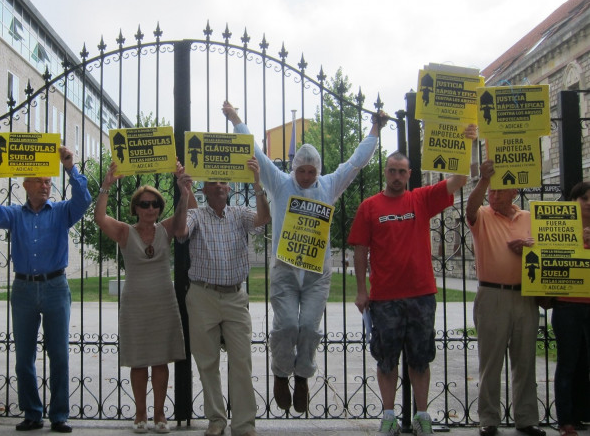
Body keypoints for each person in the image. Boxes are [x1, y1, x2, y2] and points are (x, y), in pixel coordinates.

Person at [225, 101, 385, 413]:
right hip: (285, 270)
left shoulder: (329, 185)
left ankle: (302, 376)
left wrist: (375, 130)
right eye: (302, 170)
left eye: (312, 171)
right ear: (294, 168)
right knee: (286, 325)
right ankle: (281, 374)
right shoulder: (280, 183)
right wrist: (236, 119)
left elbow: (355, 164)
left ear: (319, 170)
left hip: (316, 274)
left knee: (310, 328)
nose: (307, 176)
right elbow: (255, 151)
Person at [347, 138, 475, 436]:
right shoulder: (369, 207)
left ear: (409, 174)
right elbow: (360, 250)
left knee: (420, 358)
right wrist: (361, 291)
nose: (396, 176)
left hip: (421, 294)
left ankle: (421, 415)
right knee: (386, 359)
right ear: (385, 173)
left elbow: (459, 179)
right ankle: (389, 416)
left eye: (402, 172)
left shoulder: (421, 199)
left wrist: (466, 141)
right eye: (391, 171)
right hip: (384, 297)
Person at [0, 146, 91, 433]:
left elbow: (83, 199)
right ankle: (32, 412)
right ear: (26, 185)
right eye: (39, 181)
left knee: (59, 354)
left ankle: (60, 415)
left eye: (48, 182)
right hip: (24, 289)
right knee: (24, 356)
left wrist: (70, 168)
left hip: (55, 287)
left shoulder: (63, 211)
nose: (45, 185)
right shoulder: (15, 214)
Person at [94, 161, 191, 434]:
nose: (150, 209)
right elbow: (99, 218)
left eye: (155, 204)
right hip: (135, 304)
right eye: (145, 204)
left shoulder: (167, 229)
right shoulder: (125, 232)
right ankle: (140, 413)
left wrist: (184, 186)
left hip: (163, 301)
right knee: (139, 360)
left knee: (160, 360)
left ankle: (160, 413)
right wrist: (106, 185)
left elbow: (192, 213)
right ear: (135, 208)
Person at [177, 158, 270, 436]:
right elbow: (180, 231)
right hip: (202, 295)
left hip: (234, 298)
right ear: (203, 190)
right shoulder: (195, 215)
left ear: (229, 188)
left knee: (241, 361)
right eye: (212, 183)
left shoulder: (240, 214)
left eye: (222, 182)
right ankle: (216, 420)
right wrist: (184, 196)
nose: (218, 186)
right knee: (207, 363)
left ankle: (244, 424)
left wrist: (257, 183)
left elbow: (263, 219)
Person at [465, 159, 544, 436]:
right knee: (491, 361)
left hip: (525, 296)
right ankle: (489, 419)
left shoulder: (529, 219)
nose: (494, 196)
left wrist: (531, 248)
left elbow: (549, 251)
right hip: (492, 294)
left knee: (525, 360)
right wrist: (484, 180)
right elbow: (470, 208)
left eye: (500, 191)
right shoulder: (483, 215)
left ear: (515, 191)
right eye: (492, 191)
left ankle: (526, 418)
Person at [552, 181, 590, 436]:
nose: (588, 203)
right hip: (567, 306)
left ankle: (582, 414)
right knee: (568, 363)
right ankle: (566, 419)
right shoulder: (560, 228)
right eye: (583, 198)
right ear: (574, 201)